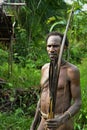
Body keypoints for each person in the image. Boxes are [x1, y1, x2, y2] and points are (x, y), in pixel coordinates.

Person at [30, 31, 82, 130]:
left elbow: (77, 102)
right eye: (49, 46)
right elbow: (42, 98)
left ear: (64, 48)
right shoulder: (45, 68)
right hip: (44, 120)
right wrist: (33, 125)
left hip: (60, 123)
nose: (51, 50)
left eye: (55, 46)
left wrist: (61, 119)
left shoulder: (71, 71)